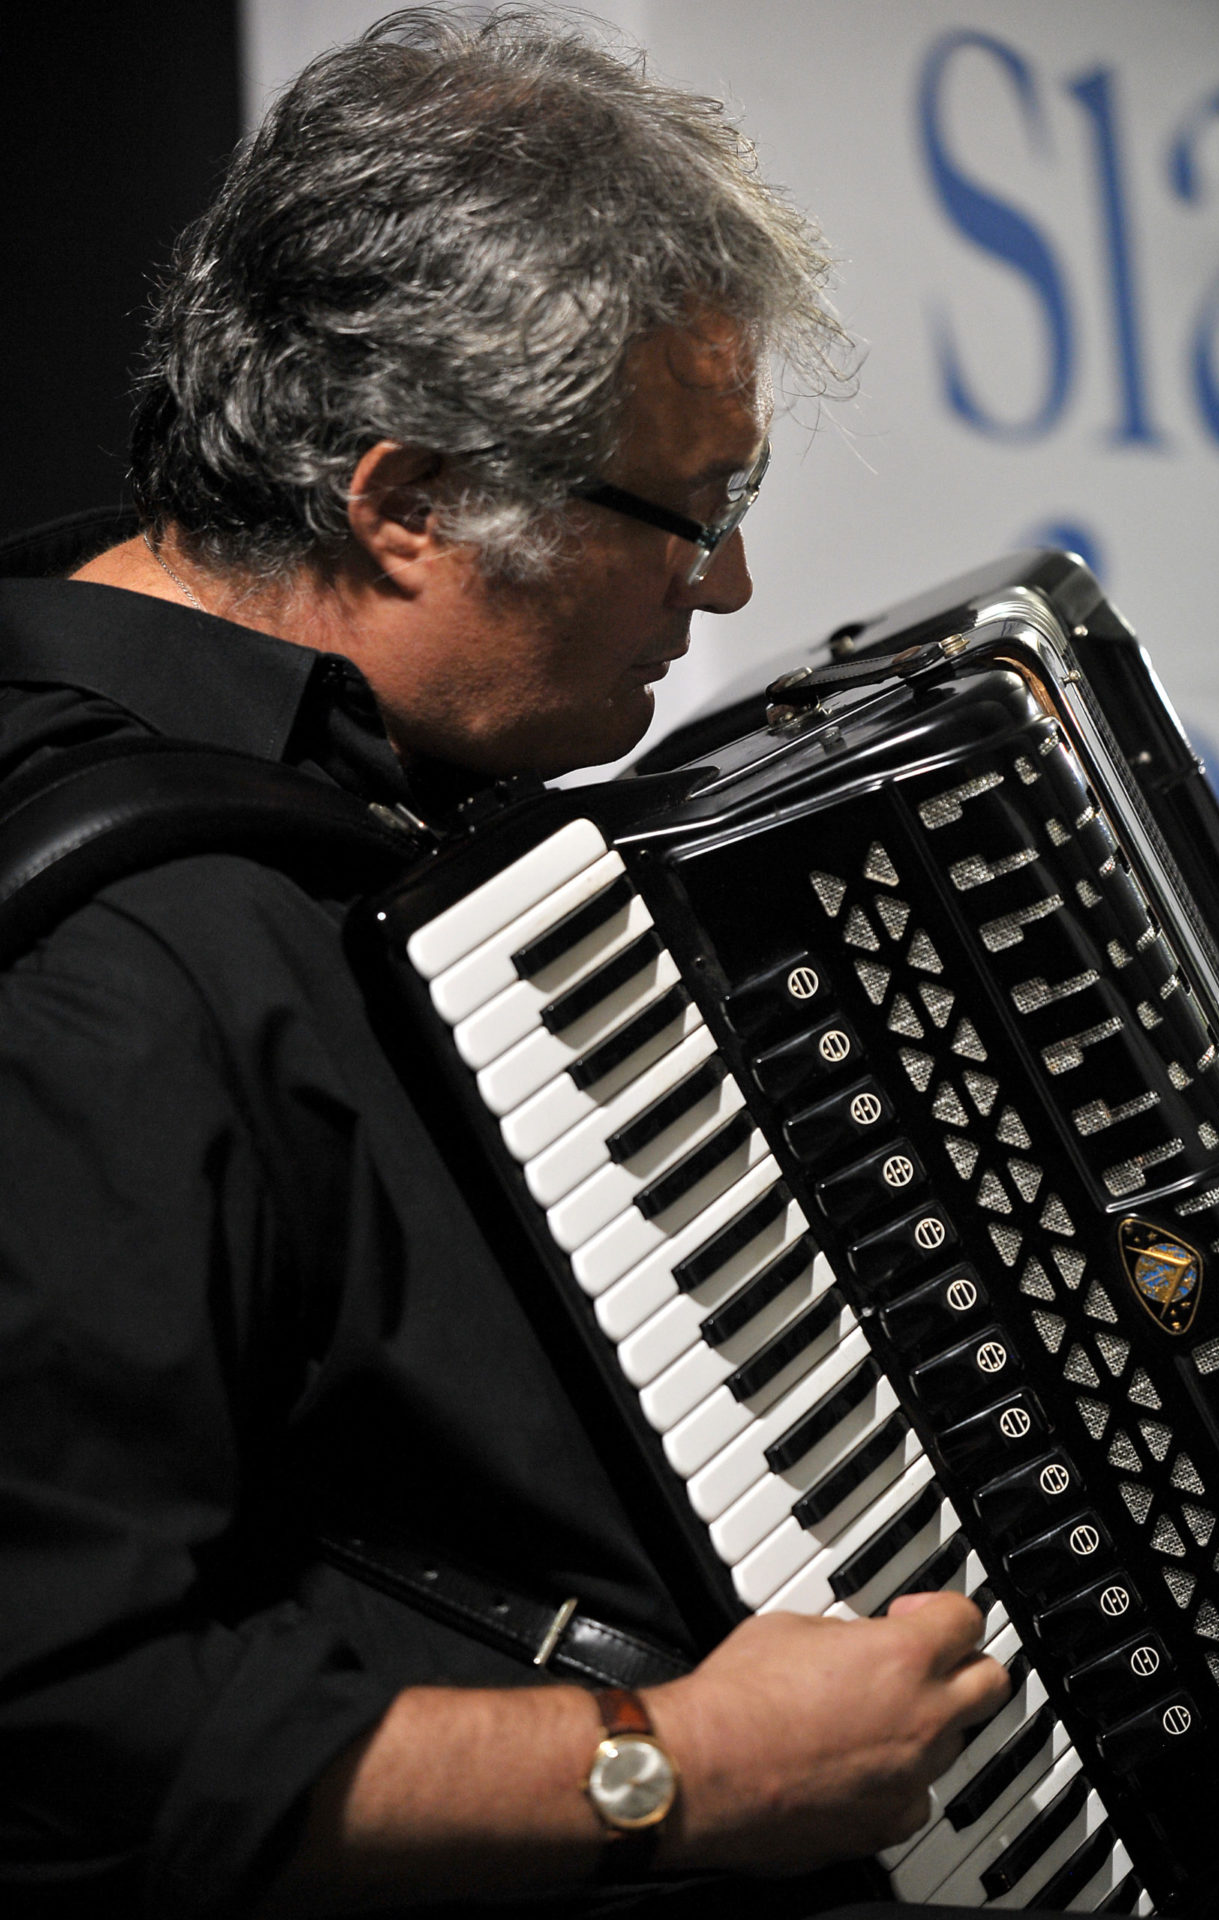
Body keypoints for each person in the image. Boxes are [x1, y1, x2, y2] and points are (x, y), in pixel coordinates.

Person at [0, 11, 1010, 1917]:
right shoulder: (108, 967)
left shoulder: (383, 798)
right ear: (401, 502)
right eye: (686, 516)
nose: (721, 589)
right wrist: (677, 1775)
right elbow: (64, 1729)